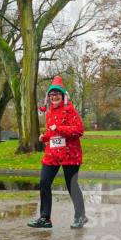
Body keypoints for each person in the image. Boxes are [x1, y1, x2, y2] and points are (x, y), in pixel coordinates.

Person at [27, 76, 88, 229]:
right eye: (52, 94)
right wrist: (45, 136)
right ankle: (45, 218)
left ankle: (80, 216)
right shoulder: (49, 112)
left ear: (63, 96)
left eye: (57, 94)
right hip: (52, 154)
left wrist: (59, 129)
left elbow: (79, 130)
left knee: (72, 185)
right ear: (48, 97)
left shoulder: (70, 110)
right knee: (44, 182)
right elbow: (52, 132)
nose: (54, 97)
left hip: (70, 154)